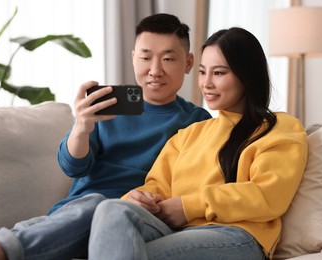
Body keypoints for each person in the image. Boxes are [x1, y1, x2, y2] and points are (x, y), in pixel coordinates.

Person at [0, 13, 211, 260]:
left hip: (132, 216)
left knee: (102, 205)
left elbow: (194, 188)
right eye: (145, 57)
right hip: (75, 212)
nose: (155, 70)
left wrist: (146, 200)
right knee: (52, 221)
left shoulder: (198, 123)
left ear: (188, 63)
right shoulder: (104, 109)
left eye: (167, 58)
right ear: (133, 58)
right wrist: (81, 126)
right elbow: (73, 166)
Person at [88, 27, 308, 260]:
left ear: (247, 75)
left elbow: (267, 195)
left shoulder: (278, 127)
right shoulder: (189, 134)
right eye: (203, 72)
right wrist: (138, 198)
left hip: (236, 234)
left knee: (135, 254)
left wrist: (187, 207)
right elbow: (157, 186)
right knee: (111, 209)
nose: (206, 83)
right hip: (176, 230)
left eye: (219, 73)